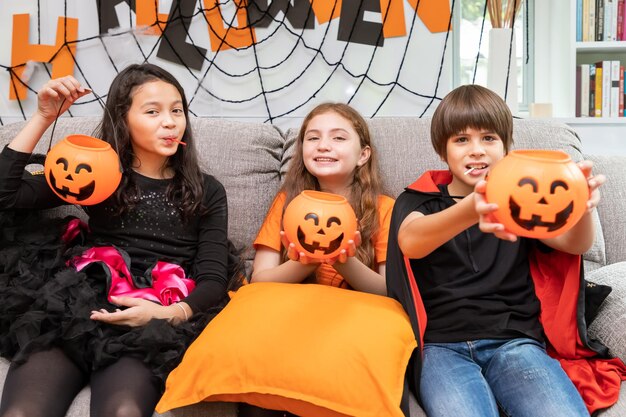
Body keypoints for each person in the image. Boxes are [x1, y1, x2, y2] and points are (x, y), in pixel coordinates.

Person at [0, 64, 240, 417]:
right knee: (22, 413)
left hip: (152, 315)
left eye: (177, 110)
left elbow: (213, 278)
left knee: (122, 412)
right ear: (122, 119)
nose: (171, 122)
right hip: (75, 303)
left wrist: (168, 314)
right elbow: (5, 196)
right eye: (153, 111)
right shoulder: (97, 171)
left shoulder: (207, 190)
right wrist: (42, 117)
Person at [386, 84, 626, 417]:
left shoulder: (521, 201)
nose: (476, 151)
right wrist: (472, 208)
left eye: (488, 138)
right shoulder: (419, 199)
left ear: (506, 147)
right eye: (461, 140)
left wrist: (581, 210)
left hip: (514, 340)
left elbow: (576, 245)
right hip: (441, 347)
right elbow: (411, 240)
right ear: (443, 151)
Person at [240, 102, 394, 417]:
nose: (323, 145)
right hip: (292, 322)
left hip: (353, 329)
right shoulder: (286, 203)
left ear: (363, 154)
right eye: (313, 138)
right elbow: (260, 281)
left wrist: (343, 262)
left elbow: (390, 291)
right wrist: (305, 262)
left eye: (338, 138)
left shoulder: (385, 209)